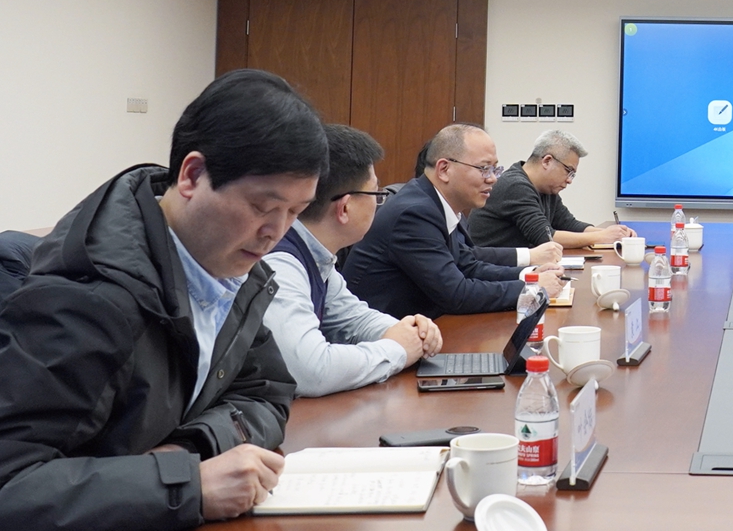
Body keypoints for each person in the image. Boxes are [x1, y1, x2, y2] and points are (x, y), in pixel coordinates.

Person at [0, 69, 323, 531]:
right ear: (192, 175)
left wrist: (191, 449)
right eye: (263, 207)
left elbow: (265, 392)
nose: (276, 233)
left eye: (295, 213)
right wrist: (186, 483)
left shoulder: (227, 273)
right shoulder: (82, 300)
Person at [264, 124, 444, 397]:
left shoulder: (317, 255)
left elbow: (352, 318)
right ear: (345, 207)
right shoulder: (281, 263)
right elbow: (310, 371)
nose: (379, 204)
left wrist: (407, 331)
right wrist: (397, 349)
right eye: (377, 194)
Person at [345, 123, 563, 318]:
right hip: (383, 336)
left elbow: (467, 265)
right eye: (484, 168)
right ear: (444, 169)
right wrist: (531, 289)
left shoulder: (441, 204)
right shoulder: (415, 214)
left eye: (495, 169)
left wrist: (529, 275)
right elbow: (456, 294)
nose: (493, 178)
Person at [467, 129, 633, 250]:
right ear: (547, 161)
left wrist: (614, 233)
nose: (569, 180)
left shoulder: (546, 189)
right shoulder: (515, 186)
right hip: (491, 271)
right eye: (568, 171)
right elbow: (546, 237)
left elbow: (568, 224)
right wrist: (601, 237)